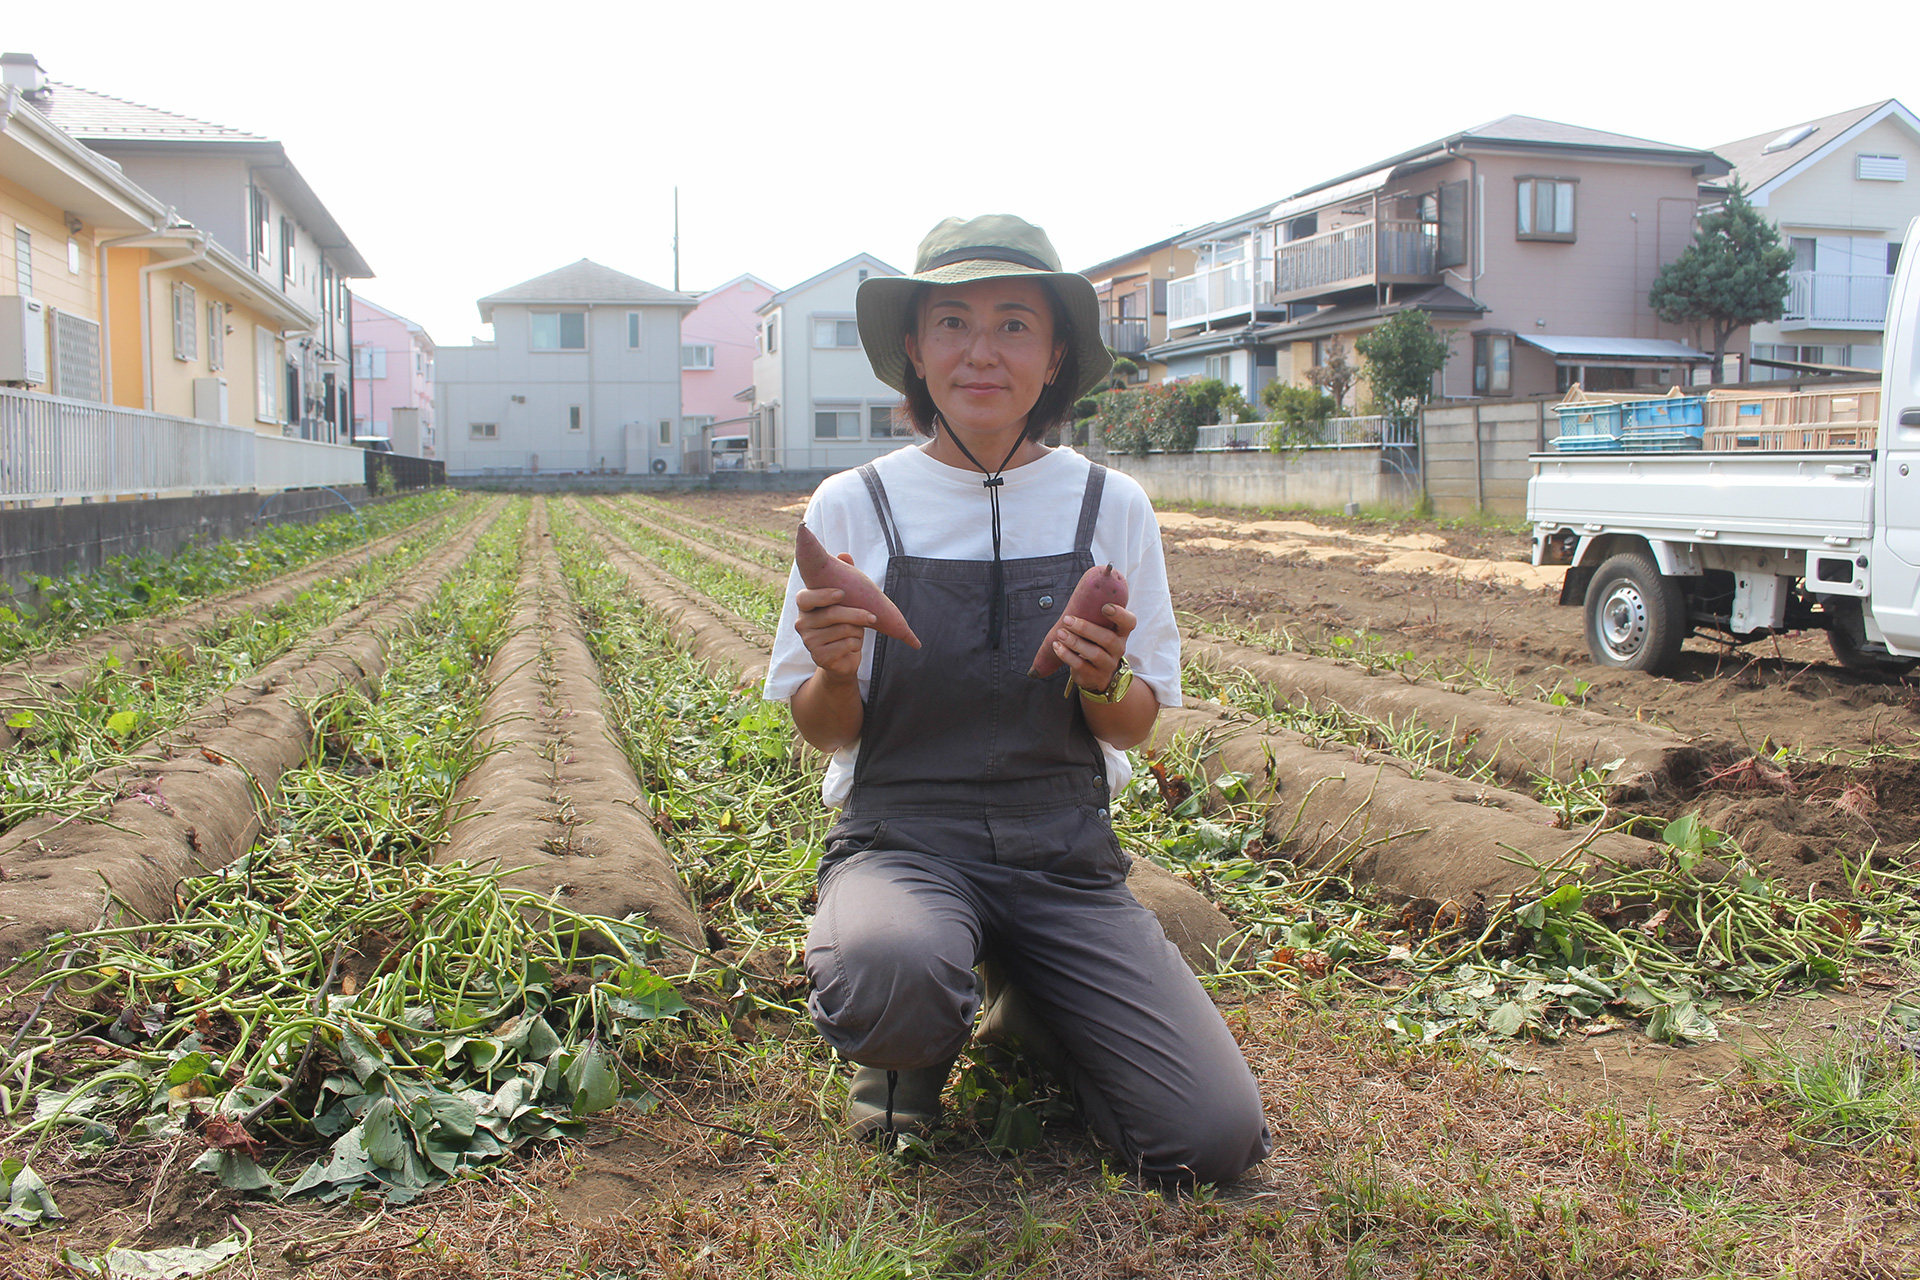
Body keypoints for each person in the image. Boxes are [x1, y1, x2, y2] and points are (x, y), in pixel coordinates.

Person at [763, 214, 1271, 1185]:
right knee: (889, 972)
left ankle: (1033, 1002)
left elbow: (1132, 722)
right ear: (914, 350)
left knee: (1211, 1137)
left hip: (1062, 855)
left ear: (1055, 357)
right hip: (905, 839)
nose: (980, 351)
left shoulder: (1110, 506)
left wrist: (1100, 677)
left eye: (1012, 325)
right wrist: (833, 670)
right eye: (951, 323)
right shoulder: (851, 505)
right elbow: (824, 728)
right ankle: (906, 1049)